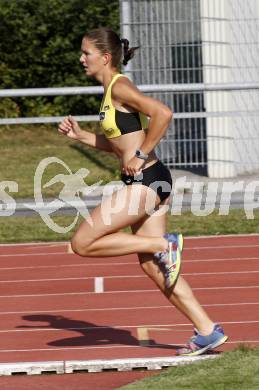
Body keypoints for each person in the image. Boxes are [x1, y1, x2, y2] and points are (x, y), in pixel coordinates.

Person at [58, 27, 228, 356]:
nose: (81, 59)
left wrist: (140, 154)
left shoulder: (119, 86)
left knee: (82, 243)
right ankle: (207, 330)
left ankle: (166, 243)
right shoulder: (110, 91)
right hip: (151, 180)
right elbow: (121, 145)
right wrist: (82, 137)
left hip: (147, 181)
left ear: (104, 58)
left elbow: (163, 113)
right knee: (152, 266)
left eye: (86, 53)